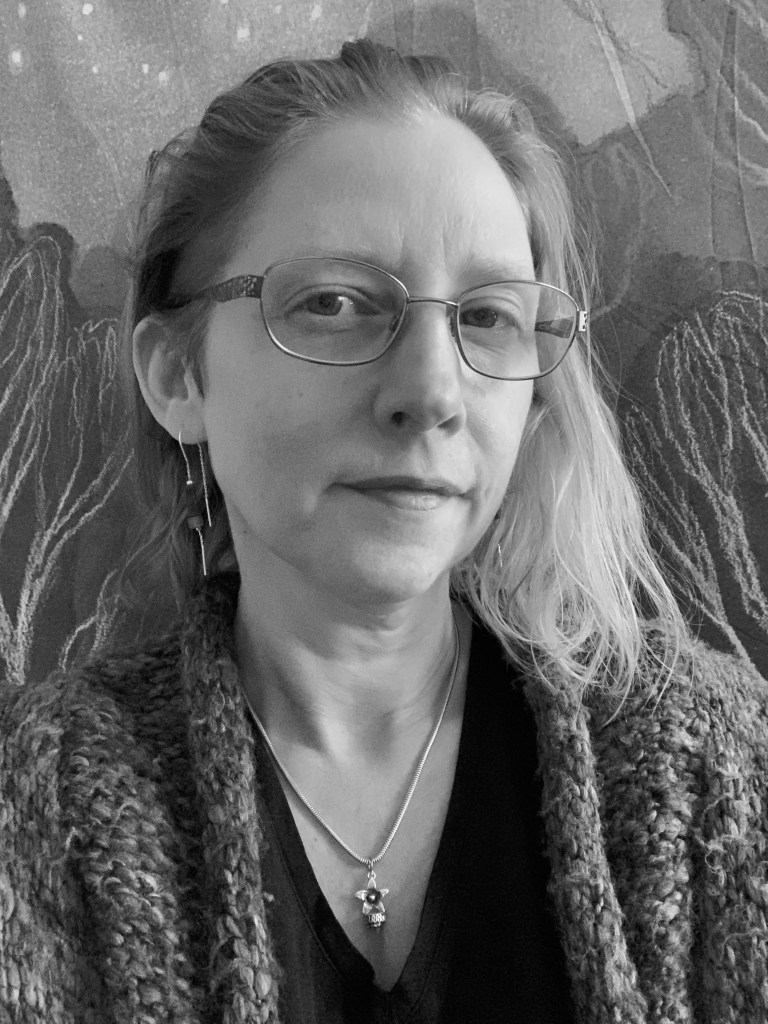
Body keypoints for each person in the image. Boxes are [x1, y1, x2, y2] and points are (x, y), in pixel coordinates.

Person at [1, 38, 766, 1024]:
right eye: (335, 303)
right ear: (179, 375)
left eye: (487, 316)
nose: (432, 393)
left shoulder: (716, 769)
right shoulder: (39, 807)